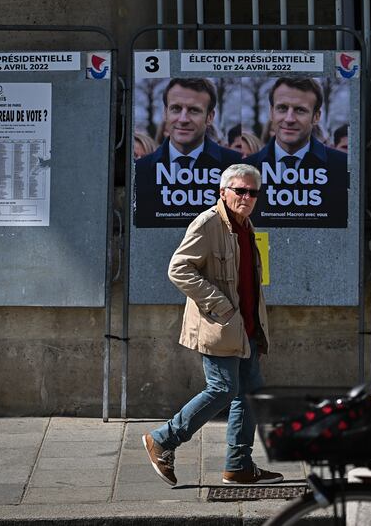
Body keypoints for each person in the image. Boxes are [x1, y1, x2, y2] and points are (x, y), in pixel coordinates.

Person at [142, 163, 283, 487]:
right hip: (220, 325)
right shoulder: (208, 223)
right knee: (222, 389)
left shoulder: (245, 226)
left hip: (246, 329)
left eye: (252, 192)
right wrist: (220, 305)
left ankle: (238, 466)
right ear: (223, 192)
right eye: (239, 190)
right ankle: (163, 439)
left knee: (249, 394)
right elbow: (178, 269)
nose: (246, 197)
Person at [134, 78, 241, 227]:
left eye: (193, 110)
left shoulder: (235, 167)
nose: (183, 119)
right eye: (176, 109)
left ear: (210, 117)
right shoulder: (140, 170)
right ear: (165, 113)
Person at [244, 78, 348, 227]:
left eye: (300, 110)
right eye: (282, 108)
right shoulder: (245, 170)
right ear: (271, 112)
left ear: (316, 117)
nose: (289, 119)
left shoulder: (343, 168)